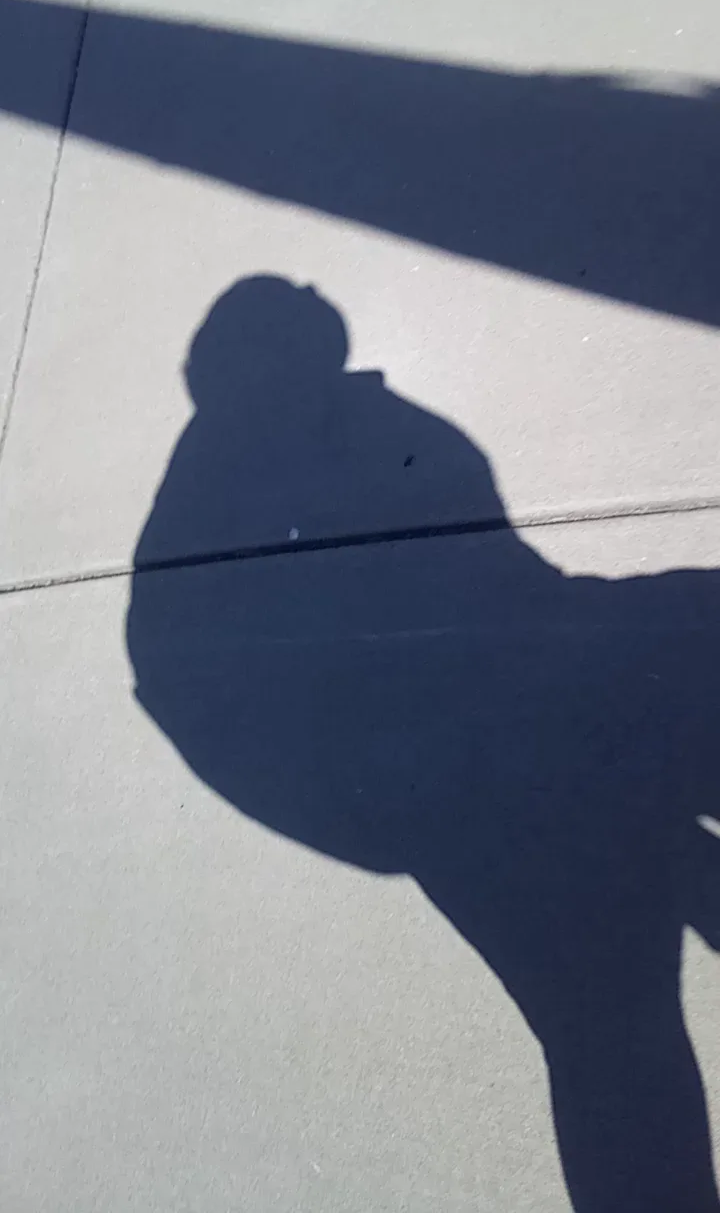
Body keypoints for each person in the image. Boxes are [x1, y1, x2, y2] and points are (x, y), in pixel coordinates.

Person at [127, 276, 720, 1211]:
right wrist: (434, 820)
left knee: (617, 1037)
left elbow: (505, 589)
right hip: (495, 792)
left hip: (543, 723)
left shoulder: (340, 434)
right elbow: (240, 724)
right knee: (617, 1040)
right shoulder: (205, 559)